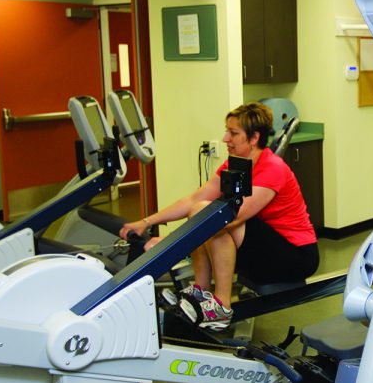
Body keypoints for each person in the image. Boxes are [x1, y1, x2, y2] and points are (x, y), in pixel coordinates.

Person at [119, 102, 318, 328]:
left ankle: (221, 306)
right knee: (202, 209)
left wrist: (169, 242)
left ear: (254, 138)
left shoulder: (273, 169)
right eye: (227, 131)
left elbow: (233, 219)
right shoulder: (236, 164)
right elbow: (194, 200)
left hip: (295, 255)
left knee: (219, 219)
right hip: (261, 247)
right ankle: (201, 292)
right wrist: (146, 222)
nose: (225, 138)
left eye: (233, 133)